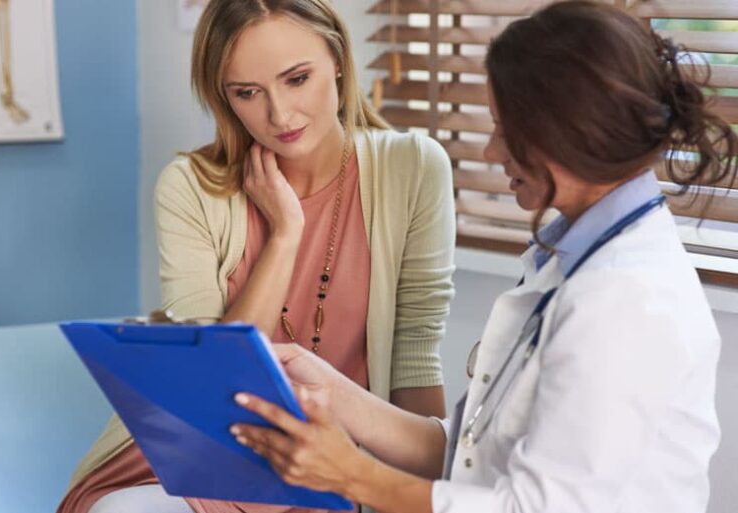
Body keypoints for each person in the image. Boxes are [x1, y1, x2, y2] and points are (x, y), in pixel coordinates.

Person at [230, 2, 737, 513]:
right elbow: (477, 456)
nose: (492, 152)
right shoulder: (575, 259)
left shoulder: (626, 300)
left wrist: (351, 475)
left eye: (503, 129)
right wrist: (335, 393)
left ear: (569, 128)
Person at [57, 1, 455, 512]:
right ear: (223, 97)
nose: (280, 115)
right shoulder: (189, 188)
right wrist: (285, 233)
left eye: (297, 79)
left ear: (337, 59)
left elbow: (415, 356)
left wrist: (417, 496)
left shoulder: (414, 167)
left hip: (330, 464)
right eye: (247, 93)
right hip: (202, 453)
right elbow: (211, 378)